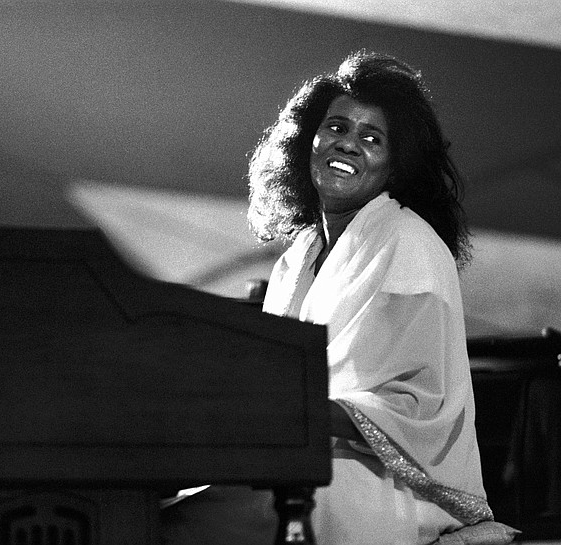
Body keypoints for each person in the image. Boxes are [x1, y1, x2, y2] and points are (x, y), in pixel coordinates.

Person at [162, 51, 518, 544]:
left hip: (383, 481)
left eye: (372, 139)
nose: (347, 145)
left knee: (187, 524)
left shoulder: (409, 243)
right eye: (335, 127)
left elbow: (413, 408)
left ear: (396, 166)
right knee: (164, 508)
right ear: (306, 141)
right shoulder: (300, 254)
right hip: (304, 459)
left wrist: (277, 407)